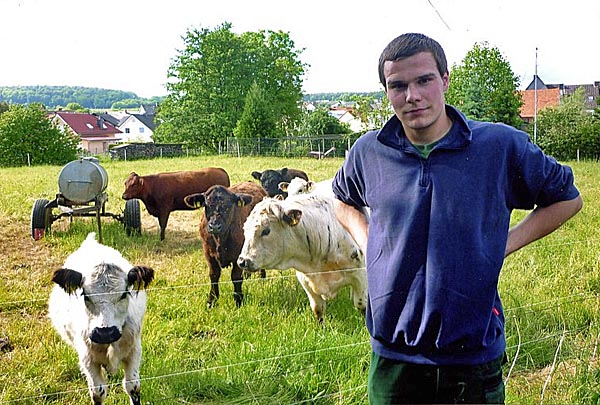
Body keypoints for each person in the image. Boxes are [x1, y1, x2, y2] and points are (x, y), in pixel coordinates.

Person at [331, 33, 583, 404]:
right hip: (393, 354)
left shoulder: (498, 146)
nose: (412, 95)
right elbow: (342, 199)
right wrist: (368, 242)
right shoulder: (369, 151)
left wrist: (504, 244)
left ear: (445, 79)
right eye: (397, 85)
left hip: (471, 356)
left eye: (424, 81)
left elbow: (567, 199)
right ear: (386, 91)